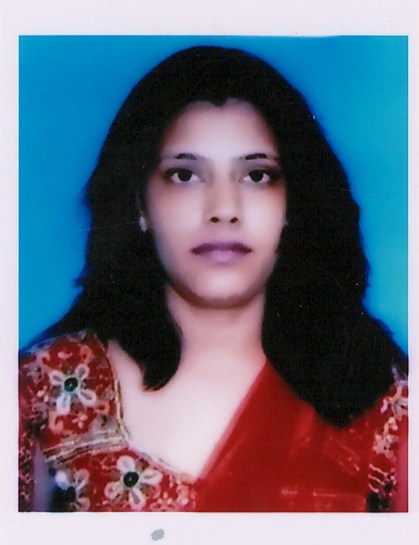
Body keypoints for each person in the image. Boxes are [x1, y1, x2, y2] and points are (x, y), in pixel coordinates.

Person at [19, 45, 408, 512]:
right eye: (185, 175)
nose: (224, 210)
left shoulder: (378, 397)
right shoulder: (45, 389)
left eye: (257, 176)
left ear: (292, 204)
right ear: (140, 205)